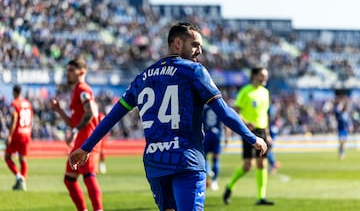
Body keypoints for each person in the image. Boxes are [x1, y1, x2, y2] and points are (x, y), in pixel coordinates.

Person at [68, 22, 268, 211]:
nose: (200, 51)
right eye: (195, 45)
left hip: (156, 162)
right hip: (186, 160)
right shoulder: (194, 70)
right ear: (178, 43)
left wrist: (86, 147)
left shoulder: (142, 77)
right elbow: (223, 111)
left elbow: (112, 117)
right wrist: (252, 138)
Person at [51, 57, 103, 211]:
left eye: (71, 70)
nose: (68, 74)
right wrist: (59, 110)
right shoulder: (77, 91)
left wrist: (74, 132)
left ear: (82, 72)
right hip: (79, 140)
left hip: (88, 139)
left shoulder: (83, 90)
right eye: (67, 70)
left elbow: (90, 114)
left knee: (88, 176)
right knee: (69, 179)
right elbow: (74, 123)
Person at [223, 67, 274, 205]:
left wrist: (267, 134)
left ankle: (261, 197)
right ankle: (230, 186)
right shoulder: (245, 91)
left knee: (262, 164)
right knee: (247, 166)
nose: (265, 78)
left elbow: (265, 114)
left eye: (266, 76)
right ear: (254, 75)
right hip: (249, 132)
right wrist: (246, 122)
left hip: (262, 131)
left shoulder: (265, 92)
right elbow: (236, 112)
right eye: (263, 75)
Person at [5, 84, 33, 191]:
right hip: (26, 133)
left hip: (17, 134)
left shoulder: (14, 104)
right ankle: (23, 182)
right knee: (23, 159)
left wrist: (9, 135)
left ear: (14, 92)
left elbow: (14, 119)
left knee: (7, 157)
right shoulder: (28, 104)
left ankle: (18, 176)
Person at [202, 104, 229, 191]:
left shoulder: (204, 108)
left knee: (203, 157)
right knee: (216, 159)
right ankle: (214, 181)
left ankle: (209, 171)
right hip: (216, 135)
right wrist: (227, 138)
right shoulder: (218, 106)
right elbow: (226, 122)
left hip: (206, 134)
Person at [333, 91, 353, 160]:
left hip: (345, 130)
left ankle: (341, 152)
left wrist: (350, 126)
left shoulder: (345, 114)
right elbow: (336, 110)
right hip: (340, 129)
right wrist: (339, 105)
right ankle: (341, 153)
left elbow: (348, 121)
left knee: (343, 143)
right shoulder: (338, 113)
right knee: (341, 142)